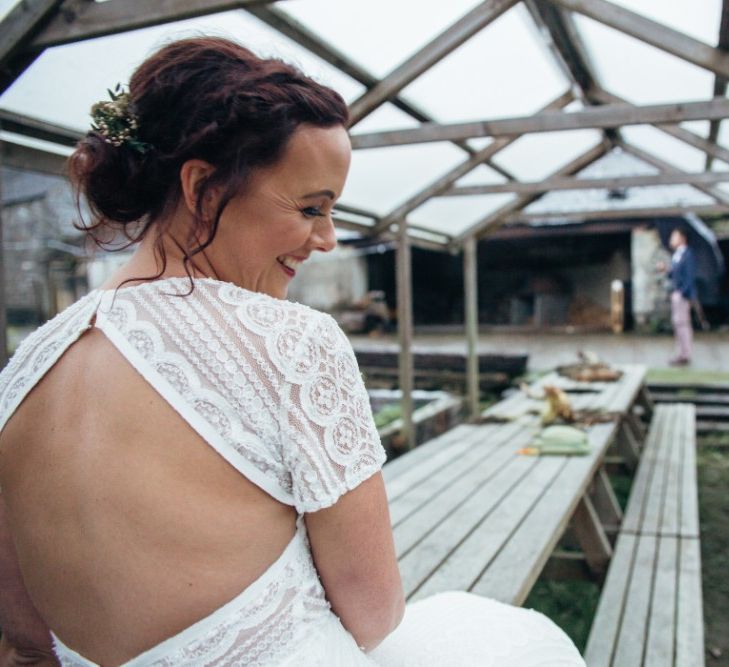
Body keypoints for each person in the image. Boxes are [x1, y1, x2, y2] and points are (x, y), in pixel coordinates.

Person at [0, 37, 585, 666]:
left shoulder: (25, 370)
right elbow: (373, 612)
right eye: (312, 208)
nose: (328, 239)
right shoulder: (291, 344)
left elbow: (26, 633)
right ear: (201, 186)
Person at [659, 227, 697, 365]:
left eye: (674, 236)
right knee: (678, 324)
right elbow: (675, 275)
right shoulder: (677, 255)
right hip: (676, 293)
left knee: (683, 324)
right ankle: (681, 353)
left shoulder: (687, 254)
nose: (671, 239)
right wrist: (666, 270)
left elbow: (689, 276)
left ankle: (685, 355)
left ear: (682, 238)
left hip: (682, 294)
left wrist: (682, 293)